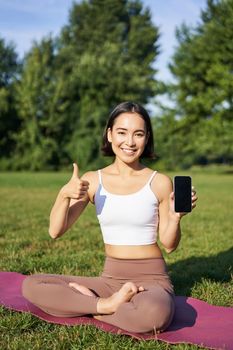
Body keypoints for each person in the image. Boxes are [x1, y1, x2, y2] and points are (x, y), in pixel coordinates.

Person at [22, 101, 197, 334]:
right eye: (122, 133)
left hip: (152, 280)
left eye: (138, 134)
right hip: (110, 280)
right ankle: (107, 304)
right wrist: (64, 195)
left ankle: (94, 307)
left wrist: (176, 218)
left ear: (147, 138)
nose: (130, 142)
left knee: (154, 315)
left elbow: (169, 245)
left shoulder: (159, 182)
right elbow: (55, 231)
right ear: (110, 135)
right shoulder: (94, 180)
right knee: (32, 285)